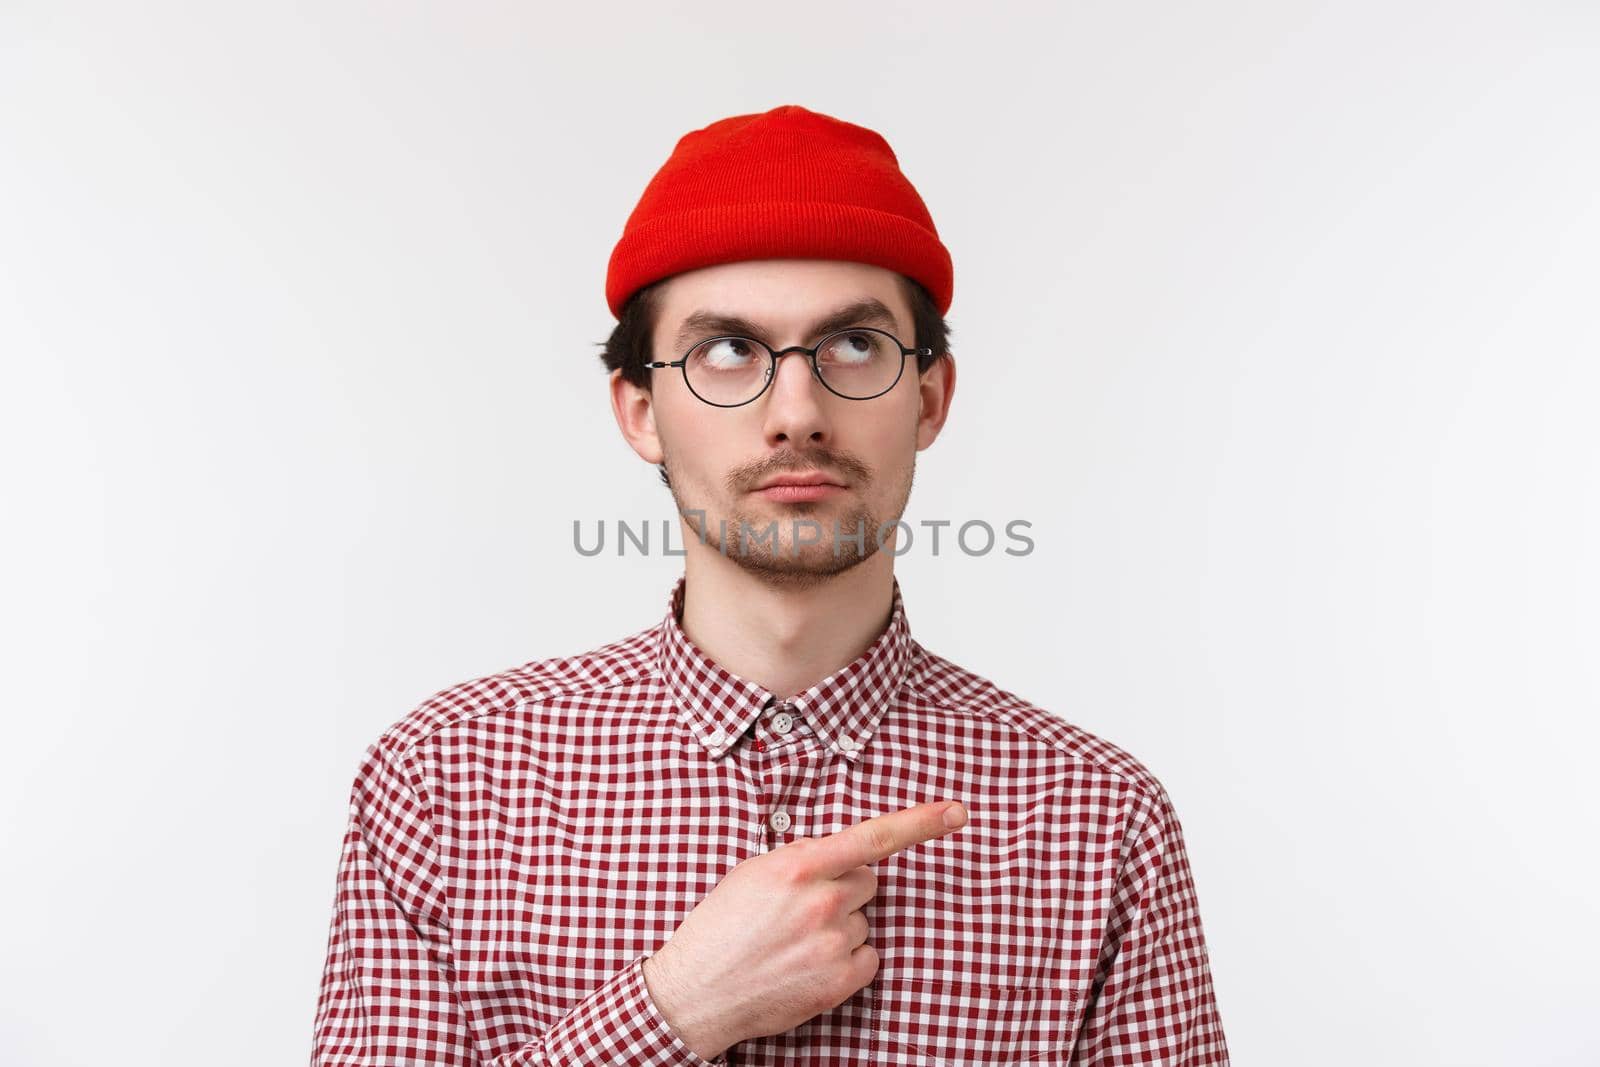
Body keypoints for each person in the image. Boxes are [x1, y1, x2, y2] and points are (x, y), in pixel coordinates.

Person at [310, 103, 1229, 1066]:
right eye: (728, 351)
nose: (797, 413)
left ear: (930, 396)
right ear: (640, 411)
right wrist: (673, 1012)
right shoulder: (444, 782)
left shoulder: (1098, 817)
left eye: (856, 347)